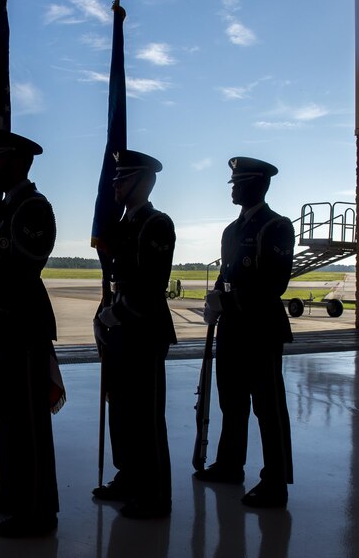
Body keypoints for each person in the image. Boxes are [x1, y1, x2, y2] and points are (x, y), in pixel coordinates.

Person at [0, 128, 60, 538]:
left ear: (18, 162)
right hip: (2, 328)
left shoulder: (33, 208)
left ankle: (37, 509)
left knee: (29, 422)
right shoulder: (4, 209)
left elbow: (21, 274)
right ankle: (9, 490)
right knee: (7, 418)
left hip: (23, 327)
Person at [196, 156, 295, 509]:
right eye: (234, 183)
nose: (233, 188)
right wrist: (216, 300)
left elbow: (274, 285)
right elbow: (228, 275)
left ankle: (275, 481)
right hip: (233, 330)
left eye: (239, 183)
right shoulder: (231, 231)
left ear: (258, 185)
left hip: (261, 329)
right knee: (232, 401)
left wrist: (230, 301)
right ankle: (229, 464)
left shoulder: (276, 227)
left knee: (268, 407)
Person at [93, 150, 176, 519]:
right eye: (115, 179)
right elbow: (117, 279)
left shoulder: (156, 224)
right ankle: (128, 476)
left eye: (123, 180)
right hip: (120, 327)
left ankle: (156, 494)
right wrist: (106, 314)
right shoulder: (124, 226)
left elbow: (150, 284)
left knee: (146, 415)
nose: (116, 185)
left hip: (144, 328)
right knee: (122, 410)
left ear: (143, 182)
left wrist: (119, 312)